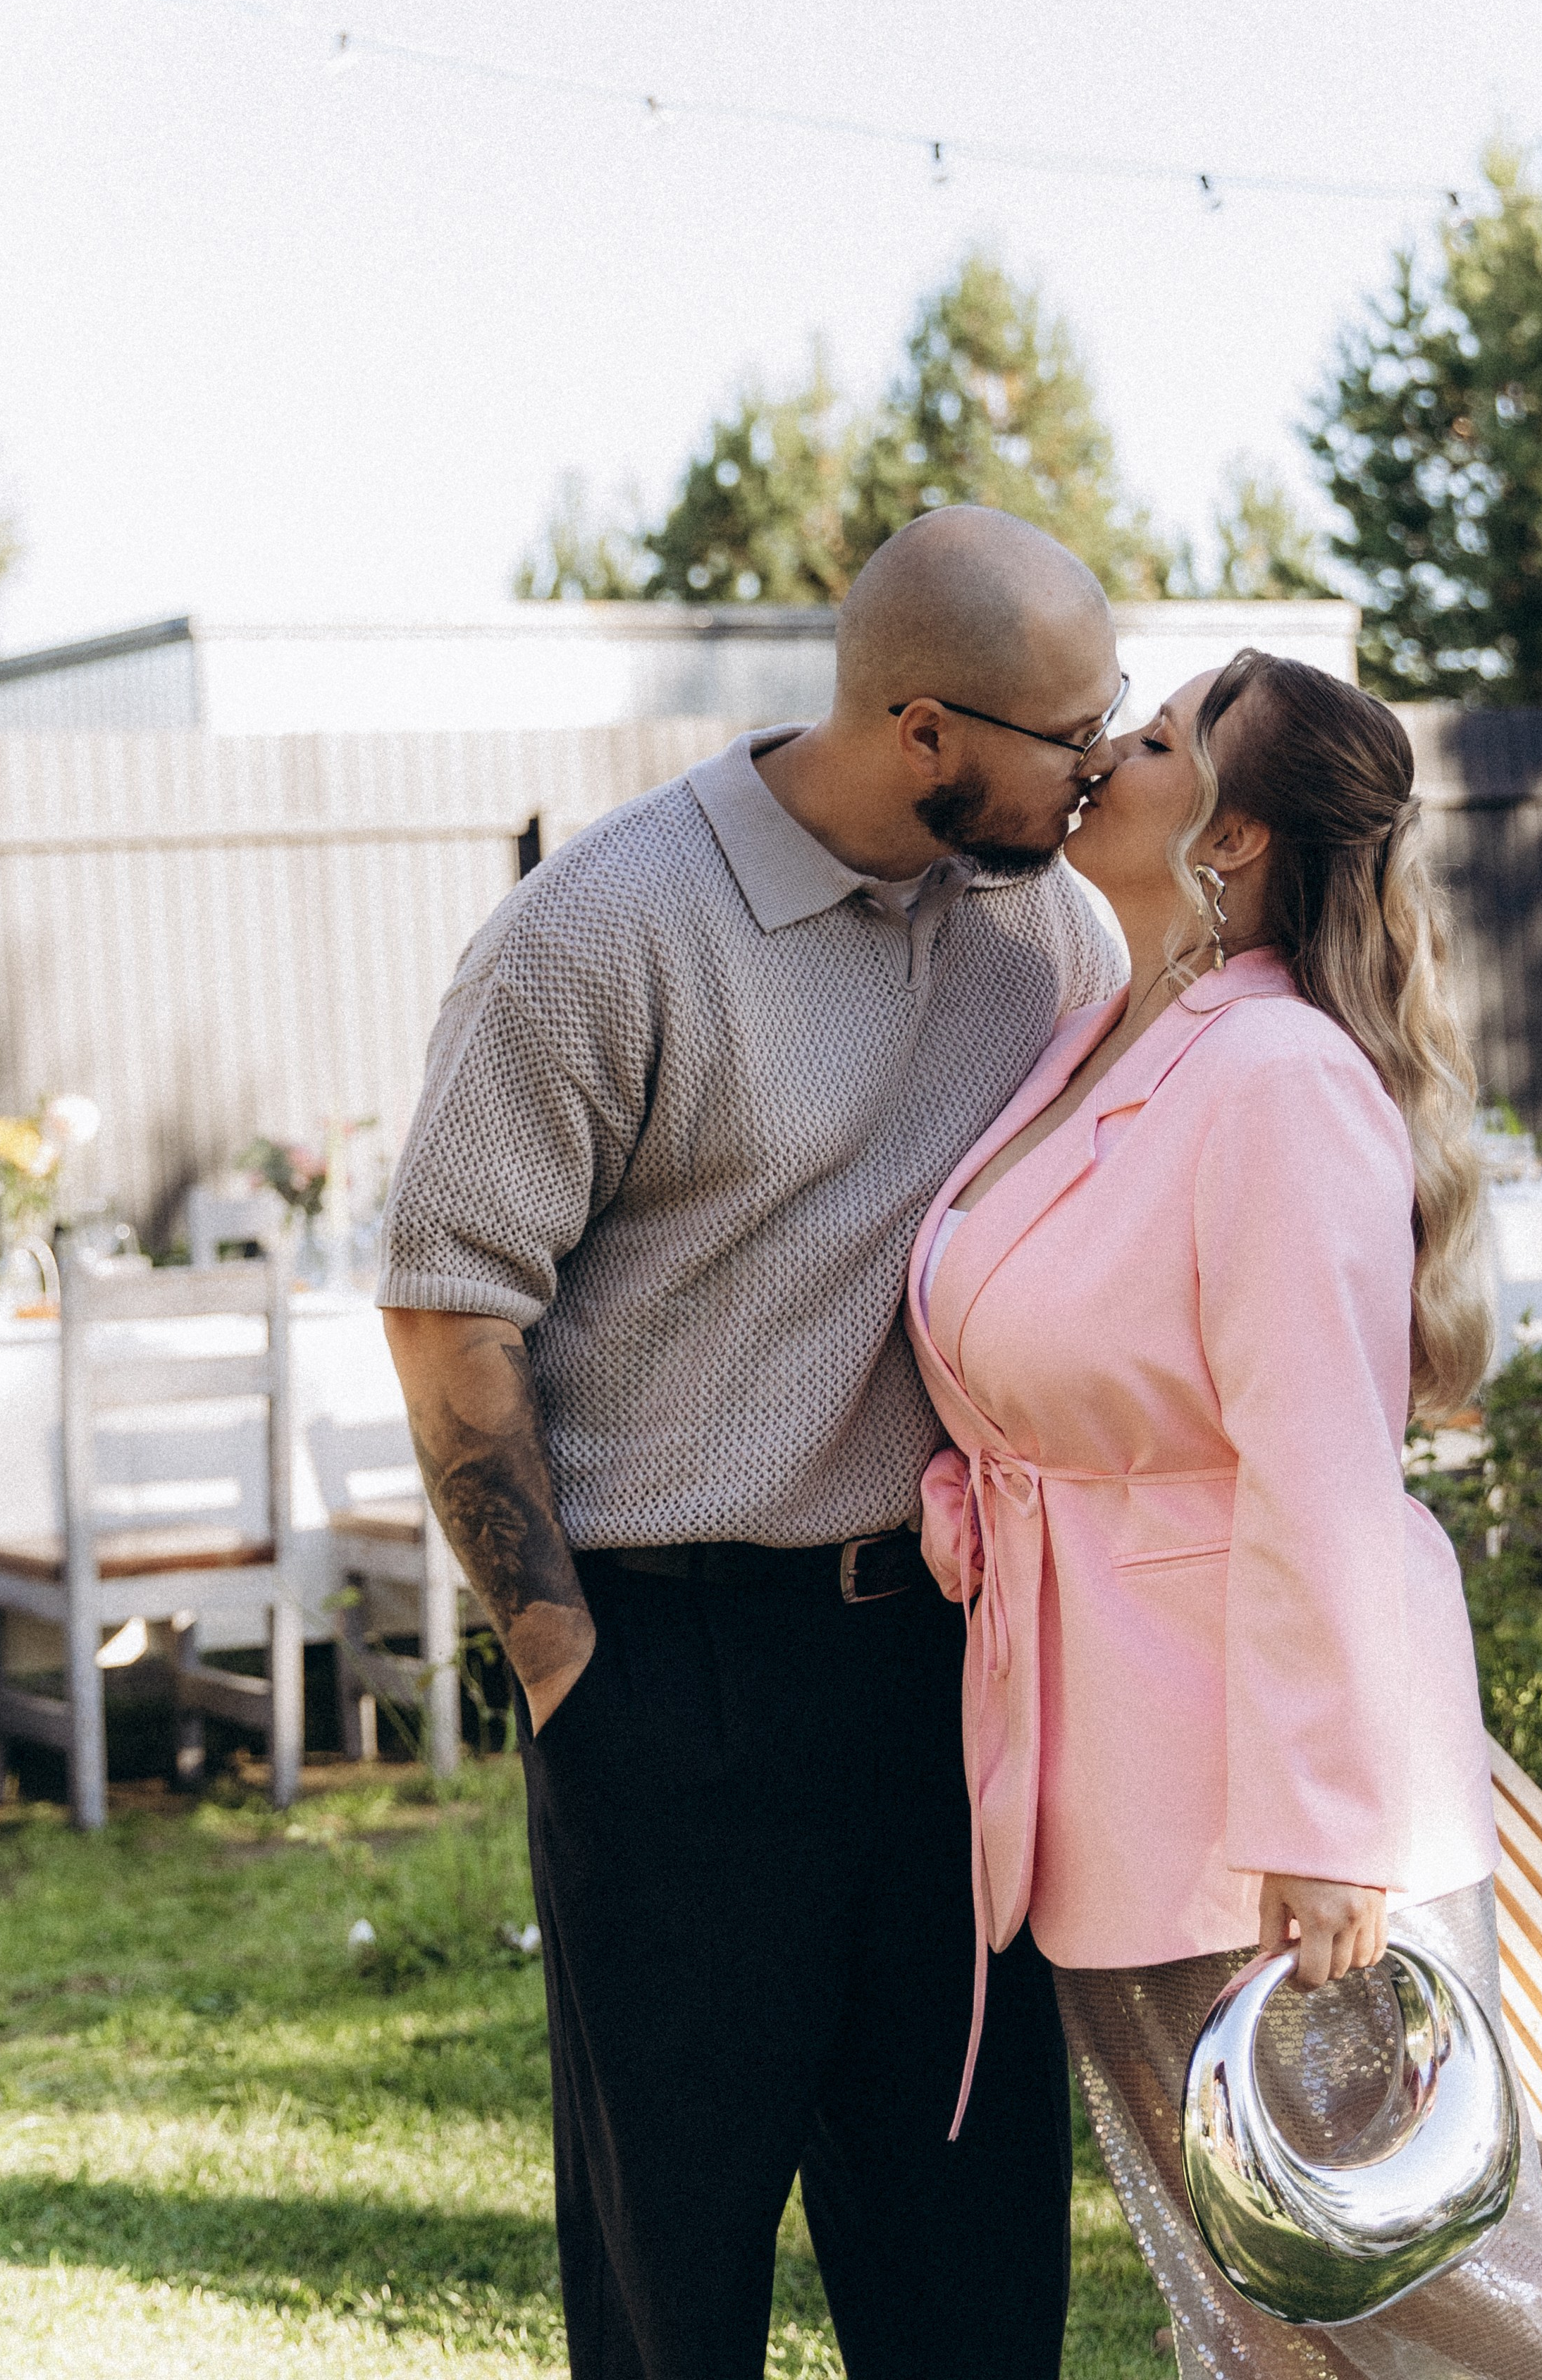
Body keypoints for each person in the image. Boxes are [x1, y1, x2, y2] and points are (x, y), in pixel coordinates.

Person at [906, 649, 1542, 2376]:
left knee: (1454, 2295)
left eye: (1144, 741)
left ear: (1232, 837)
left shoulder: (1275, 1077)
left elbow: (1323, 1469)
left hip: (1268, 1811)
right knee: (1251, 2298)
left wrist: (1327, 1827)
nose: (1095, 755)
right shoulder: (1097, 1038)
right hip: (1114, 1774)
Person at [378, 505, 1130, 2380]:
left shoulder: (1056, 929)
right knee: (674, 2286)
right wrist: (568, 1671)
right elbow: (447, 1306)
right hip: (673, 1671)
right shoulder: (598, 932)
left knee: (969, 2270)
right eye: (1074, 732)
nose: (1107, 763)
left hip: (953, 1671)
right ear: (926, 732)